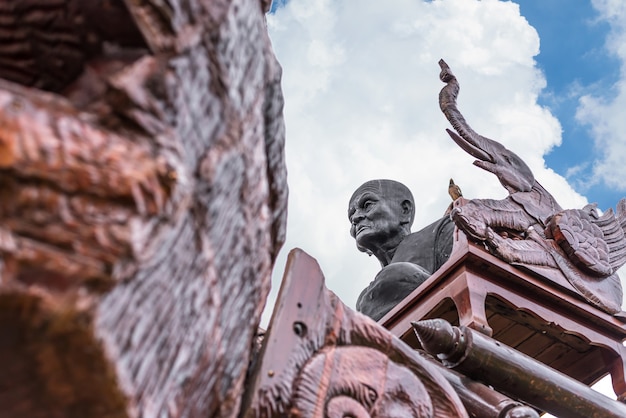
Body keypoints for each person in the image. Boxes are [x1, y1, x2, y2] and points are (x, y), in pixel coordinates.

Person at [348, 179, 454, 320]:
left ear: (405, 210)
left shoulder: (444, 232)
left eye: (367, 205)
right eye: (351, 216)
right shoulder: (365, 298)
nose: (356, 218)